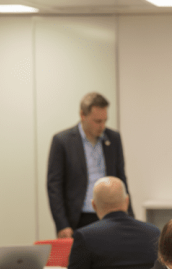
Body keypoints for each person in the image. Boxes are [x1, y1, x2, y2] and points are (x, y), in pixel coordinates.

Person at [47, 92, 131, 238]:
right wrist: (62, 224)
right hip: (78, 218)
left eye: (105, 121)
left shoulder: (113, 139)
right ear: (82, 115)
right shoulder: (62, 141)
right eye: (97, 121)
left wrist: (128, 214)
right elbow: (54, 186)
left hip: (109, 214)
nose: (102, 126)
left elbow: (121, 177)